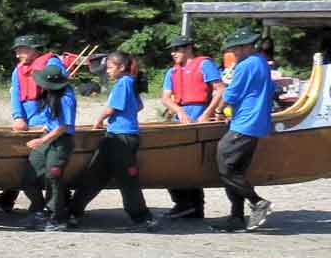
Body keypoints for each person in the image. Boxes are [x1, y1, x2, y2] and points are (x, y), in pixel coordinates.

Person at [70, 51, 156, 231]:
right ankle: (73, 211)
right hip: (116, 135)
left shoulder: (123, 83)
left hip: (121, 138)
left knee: (127, 180)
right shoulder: (131, 82)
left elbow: (112, 108)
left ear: (121, 67)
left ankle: (143, 218)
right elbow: (139, 106)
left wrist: (99, 120)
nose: (107, 71)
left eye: (110, 68)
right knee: (94, 174)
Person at [0, 34, 67, 214]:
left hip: (47, 125)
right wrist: (18, 117)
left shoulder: (52, 65)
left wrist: (48, 124)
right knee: (25, 161)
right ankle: (9, 196)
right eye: (16, 51)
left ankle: (53, 204)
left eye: (20, 51)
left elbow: (57, 95)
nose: (17, 55)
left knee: (41, 166)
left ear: (33, 49)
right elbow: (15, 95)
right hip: (28, 123)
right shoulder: (18, 70)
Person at [211, 28, 275, 233]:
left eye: (236, 49)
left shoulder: (246, 65)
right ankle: (236, 217)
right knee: (237, 169)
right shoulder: (261, 61)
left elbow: (232, 94)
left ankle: (257, 202)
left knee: (225, 164)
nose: (233, 53)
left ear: (247, 46)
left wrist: (219, 110)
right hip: (255, 122)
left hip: (245, 122)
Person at [159, 33, 225, 219]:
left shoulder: (204, 64)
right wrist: (179, 111)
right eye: (172, 50)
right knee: (171, 161)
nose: (173, 53)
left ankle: (194, 205)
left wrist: (207, 113)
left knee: (193, 163)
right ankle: (183, 203)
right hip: (181, 118)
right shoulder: (172, 72)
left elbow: (220, 89)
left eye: (177, 49)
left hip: (200, 115)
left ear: (188, 48)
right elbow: (165, 97)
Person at [18, 66, 78, 231]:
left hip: (60, 141)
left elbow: (63, 126)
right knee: (30, 174)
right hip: (48, 137)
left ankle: (56, 217)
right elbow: (51, 121)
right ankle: (39, 209)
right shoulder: (50, 95)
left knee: (53, 177)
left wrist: (41, 140)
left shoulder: (65, 98)